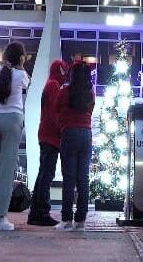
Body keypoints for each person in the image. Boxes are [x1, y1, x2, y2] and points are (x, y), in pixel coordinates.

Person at [0, 41, 30, 231]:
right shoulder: (21, 75)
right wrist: (20, 65)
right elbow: (28, 81)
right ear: (20, 57)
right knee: (6, 170)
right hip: (13, 120)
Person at [29, 59, 71, 226]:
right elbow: (55, 112)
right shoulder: (53, 86)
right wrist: (61, 129)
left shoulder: (50, 84)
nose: (66, 75)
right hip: (51, 136)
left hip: (46, 134)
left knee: (43, 174)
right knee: (46, 174)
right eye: (65, 71)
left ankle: (36, 212)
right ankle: (41, 212)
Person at [54, 61, 94, 231]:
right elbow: (91, 110)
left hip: (69, 133)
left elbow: (56, 110)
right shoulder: (90, 93)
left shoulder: (64, 92)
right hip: (86, 134)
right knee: (83, 178)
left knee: (69, 178)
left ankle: (66, 220)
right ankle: (81, 221)